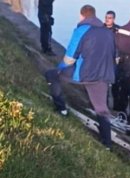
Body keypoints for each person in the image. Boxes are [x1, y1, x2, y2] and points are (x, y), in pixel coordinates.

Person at [44, 5, 115, 149]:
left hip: (85, 73)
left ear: (82, 15)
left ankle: (61, 110)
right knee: (102, 109)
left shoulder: (81, 30)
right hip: (104, 75)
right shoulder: (108, 33)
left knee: (51, 75)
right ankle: (107, 143)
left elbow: (70, 57)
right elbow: (113, 55)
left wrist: (60, 69)